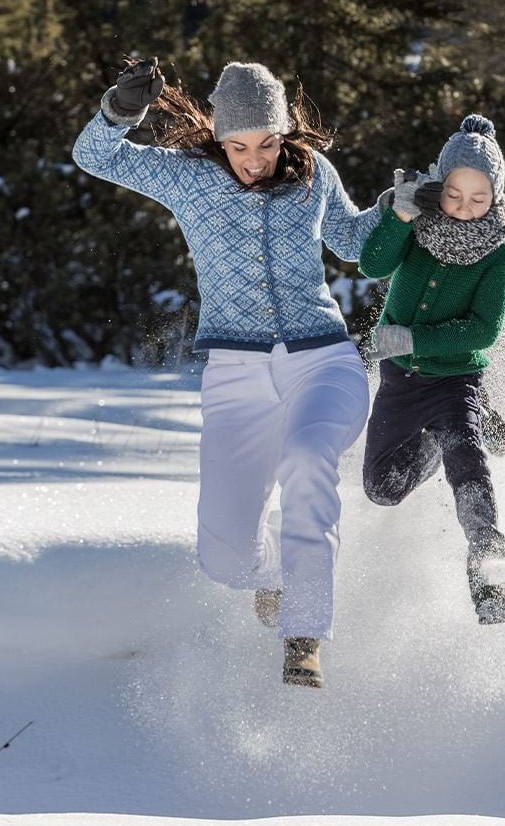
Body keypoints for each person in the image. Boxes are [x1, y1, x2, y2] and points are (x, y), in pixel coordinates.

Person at [73, 58, 381, 688]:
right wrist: (120, 110)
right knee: (225, 555)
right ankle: (271, 576)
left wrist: (401, 208)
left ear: (284, 135)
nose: (254, 159)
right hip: (236, 374)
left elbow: (353, 242)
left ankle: (304, 635)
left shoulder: (313, 174)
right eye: (239, 145)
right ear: (216, 137)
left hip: (323, 360)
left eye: (267, 143)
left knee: (306, 459)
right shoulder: (186, 178)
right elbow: (94, 158)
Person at [359, 115, 505, 624]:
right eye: (454, 195)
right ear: (439, 185)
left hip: (456, 378)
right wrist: (399, 212)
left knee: (466, 457)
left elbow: (483, 330)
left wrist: (413, 337)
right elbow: (372, 265)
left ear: (496, 196)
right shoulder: (417, 224)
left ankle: (488, 565)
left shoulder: (499, 252)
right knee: (383, 489)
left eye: (479, 198)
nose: (466, 209)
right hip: (401, 379)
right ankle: (444, 437)